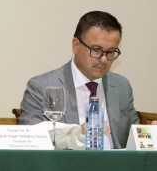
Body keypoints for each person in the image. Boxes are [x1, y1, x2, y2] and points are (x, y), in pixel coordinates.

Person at [18, 11, 139, 149]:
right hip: (66, 168)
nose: (104, 59)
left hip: (117, 168)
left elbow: (134, 136)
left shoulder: (121, 86)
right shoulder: (42, 87)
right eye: (96, 49)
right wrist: (73, 135)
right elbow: (30, 140)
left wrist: (155, 131)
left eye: (111, 52)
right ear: (76, 45)